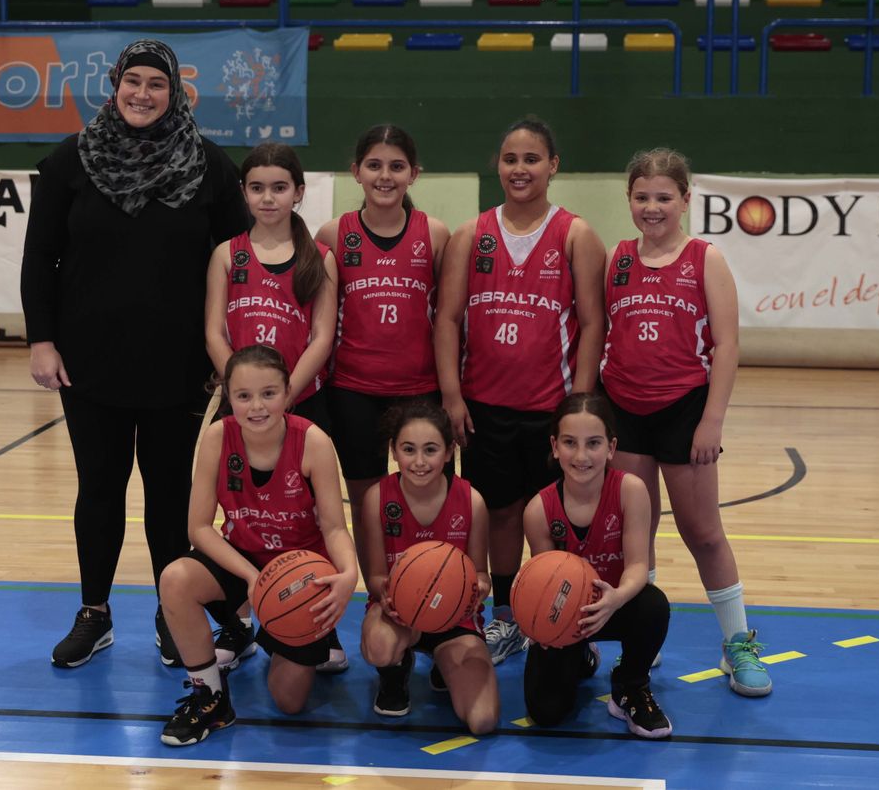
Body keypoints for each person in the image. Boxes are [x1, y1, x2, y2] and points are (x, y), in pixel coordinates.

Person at [21, 38, 249, 670]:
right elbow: (40, 256)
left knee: (170, 496)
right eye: (133, 81)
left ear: (175, 93)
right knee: (99, 488)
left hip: (181, 367)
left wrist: (227, 354)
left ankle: (171, 611)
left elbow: (237, 264)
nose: (142, 94)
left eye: (156, 84)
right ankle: (94, 613)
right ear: (115, 84)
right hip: (88, 363)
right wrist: (42, 340)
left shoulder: (210, 166)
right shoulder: (70, 161)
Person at [434, 116, 606, 665]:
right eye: (510, 159)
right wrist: (452, 396)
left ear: (553, 165)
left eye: (532, 159)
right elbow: (448, 319)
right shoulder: (471, 234)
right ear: (498, 166)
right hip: (485, 406)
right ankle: (508, 617)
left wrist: (578, 407)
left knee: (556, 518)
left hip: (551, 409)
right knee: (501, 514)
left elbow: (593, 324)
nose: (520, 169)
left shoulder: (575, 235)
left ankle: (564, 617)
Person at [599, 148, 770, 697]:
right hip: (624, 408)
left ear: (685, 200)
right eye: (641, 197)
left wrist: (711, 421)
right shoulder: (617, 258)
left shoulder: (705, 259)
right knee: (635, 532)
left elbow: (727, 346)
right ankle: (641, 640)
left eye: (663, 197)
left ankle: (737, 643)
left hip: (684, 410)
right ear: (628, 199)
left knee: (703, 532)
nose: (652, 207)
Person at [156, 344, 359, 747]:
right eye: (243, 395)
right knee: (175, 578)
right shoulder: (218, 436)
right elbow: (199, 529)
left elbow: (335, 528)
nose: (257, 406)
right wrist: (253, 577)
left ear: (288, 393)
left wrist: (350, 573)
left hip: (300, 571)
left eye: (268, 393)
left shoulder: (314, 442)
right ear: (228, 396)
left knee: (288, 701)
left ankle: (305, 640)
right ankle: (210, 697)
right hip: (243, 560)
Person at [204, 143, 342, 671]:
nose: (268, 198)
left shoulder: (319, 259)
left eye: (279, 187)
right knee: (238, 512)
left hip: (304, 403)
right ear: (244, 193)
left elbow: (322, 337)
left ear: (298, 193)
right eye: (257, 188)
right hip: (241, 408)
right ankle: (237, 624)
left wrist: (283, 399)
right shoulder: (228, 254)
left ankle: (318, 621)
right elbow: (214, 332)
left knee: (311, 516)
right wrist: (243, 393)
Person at [315, 125, 450, 549]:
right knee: (365, 500)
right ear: (356, 171)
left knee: (431, 494)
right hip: (353, 389)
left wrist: (452, 391)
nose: (385, 176)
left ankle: (432, 578)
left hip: (420, 389)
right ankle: (377, 581)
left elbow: (449, 319)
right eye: (374, 165)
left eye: (397, 166)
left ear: (414, 173)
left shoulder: (435, 234)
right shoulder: (333, 234)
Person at [522, 393, 671, 739]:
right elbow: (542, 584)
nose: (581, 456)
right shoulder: (539, 510)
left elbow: (638, 566)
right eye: (570, 443)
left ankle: (630, 686)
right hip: (566, 614)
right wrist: (544, 628)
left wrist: (615, 598)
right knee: (546, 713)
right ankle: (580, 656)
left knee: (653, 605)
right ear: (555, 446)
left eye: (593, 443)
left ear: (611, 447)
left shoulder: (630, 491)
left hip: (616, 605)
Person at [358, 400, 497, 734]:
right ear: (393, 451)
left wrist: (477, 588)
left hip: (453, 616)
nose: (419, 462)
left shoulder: (472, 501)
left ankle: (443, 663)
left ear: (449, 452)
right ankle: (395, 672)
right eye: (409, 449)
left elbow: (481, 574)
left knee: (482, 720)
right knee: (380, 647)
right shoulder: (377, 498)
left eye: (430, 450)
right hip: (398, 613)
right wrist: (387, 596)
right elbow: (375, 577)